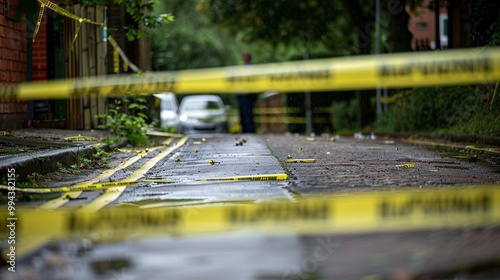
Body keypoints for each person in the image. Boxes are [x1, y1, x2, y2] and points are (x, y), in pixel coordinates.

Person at [237, 52, 257, 133]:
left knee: (247, 114)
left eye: (244, 56)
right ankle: (246, 130)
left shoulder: (250, 67)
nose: (242, 58)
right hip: (242, 95)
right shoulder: (243, 67)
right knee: (243, 115)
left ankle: (249, 131)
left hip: (247, 95)